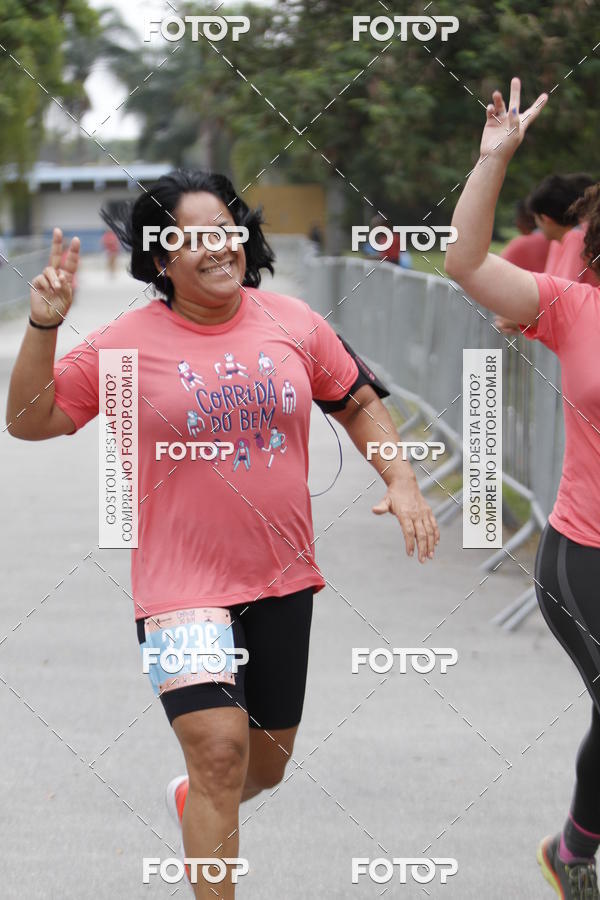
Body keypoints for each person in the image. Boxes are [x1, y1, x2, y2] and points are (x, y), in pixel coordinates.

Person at [5, 170, 439, 899]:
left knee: (261, 767)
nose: (216, 247)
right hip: (179, 588)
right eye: (192, 237)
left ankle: (198, 806)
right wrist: (45, 324)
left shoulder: (293, 321)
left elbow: (358, 402)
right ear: (159, 259)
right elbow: (31, 420)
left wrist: (400, 479)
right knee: (216, 754)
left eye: (225, 230)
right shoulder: (126, 344)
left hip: (281, 578)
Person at [445, 77, 600, 900]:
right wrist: (493, 159)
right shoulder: (575, 309)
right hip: (588, 555)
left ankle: (573, 848)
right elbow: (465, 262)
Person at [496, 173, 598, 335]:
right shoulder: (566, 239)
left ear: (545, 218)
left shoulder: (575, 237)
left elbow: (562, 300)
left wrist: (526, 320)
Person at [499, 198, 550, 272]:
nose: (516, 223)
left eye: (517, 218)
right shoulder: (559, 239)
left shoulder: (522, 243)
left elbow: (498, 271)